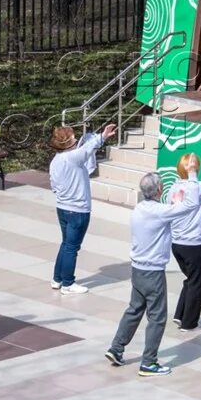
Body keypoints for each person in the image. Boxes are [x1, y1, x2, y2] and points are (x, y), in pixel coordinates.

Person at [103, 174, 201, 376]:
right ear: (158, 190)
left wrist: (174, 205)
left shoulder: (139, 209)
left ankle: (116, 348)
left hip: (137, 270)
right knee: (157, 318)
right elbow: (192, 204)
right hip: (153, 272)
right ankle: (149, 362)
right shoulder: (160, 212)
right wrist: (192, 175)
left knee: (134, 309)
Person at [49, 121, 116, 294]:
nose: (77, 138)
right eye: (73, 137)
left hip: (62, 208)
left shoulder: (55, 161)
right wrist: (103, 135)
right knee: (72, 247)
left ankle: (57, 279)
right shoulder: (72, 158)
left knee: (65, 244)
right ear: (68, 143)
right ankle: (68, 284)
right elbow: (88, 148)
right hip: (78, 210)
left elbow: (54, 186)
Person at [169, 143, 201, 330]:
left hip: (176, 243)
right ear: (194, 168)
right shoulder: (196, 187)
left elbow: (184, 208)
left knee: (190, 278)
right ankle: (189, 322)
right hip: (192, 244)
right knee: (196, 283)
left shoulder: (173, 188)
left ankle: (180, 313)